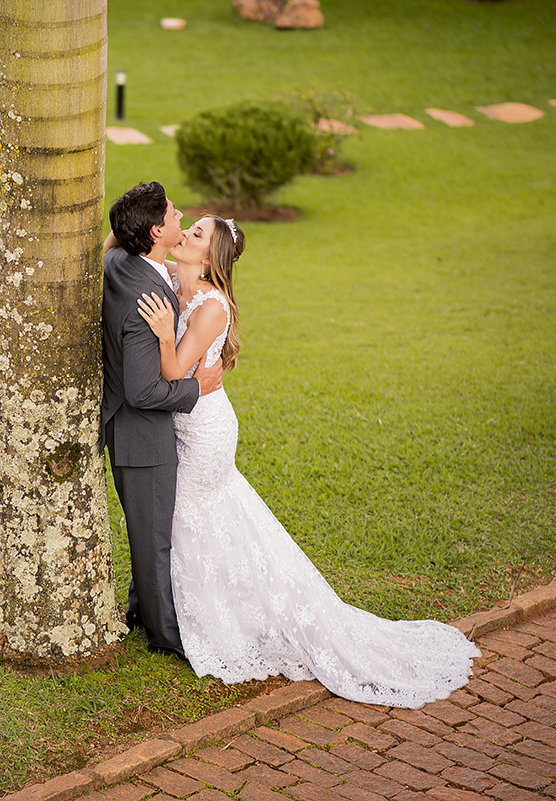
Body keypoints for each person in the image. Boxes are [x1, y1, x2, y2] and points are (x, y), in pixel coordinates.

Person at [135, 215, 479, 709]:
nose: (184, 234)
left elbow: (172, 370)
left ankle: (201, 622)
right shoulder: (174, 278)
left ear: (210, 260)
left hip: (205, 430)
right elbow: (134, 252)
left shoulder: (211, 307)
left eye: (196, 235)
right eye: (187, 230)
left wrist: (167, 333)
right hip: (184, 421)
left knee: (192, 518)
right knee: (208, 521)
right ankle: (187, 612)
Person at [101, 182, 222, 660]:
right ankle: (166, 636)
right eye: (174, 215)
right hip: (142, 435)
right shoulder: (152, 299)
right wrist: (198, 387)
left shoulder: (119, 263)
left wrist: (117, 231)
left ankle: (138, 607)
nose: (180, 218)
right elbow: (144, 391)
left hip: (127, 428)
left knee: (154, 527)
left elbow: (109, 244)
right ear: (156, 231)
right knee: (152, 541)